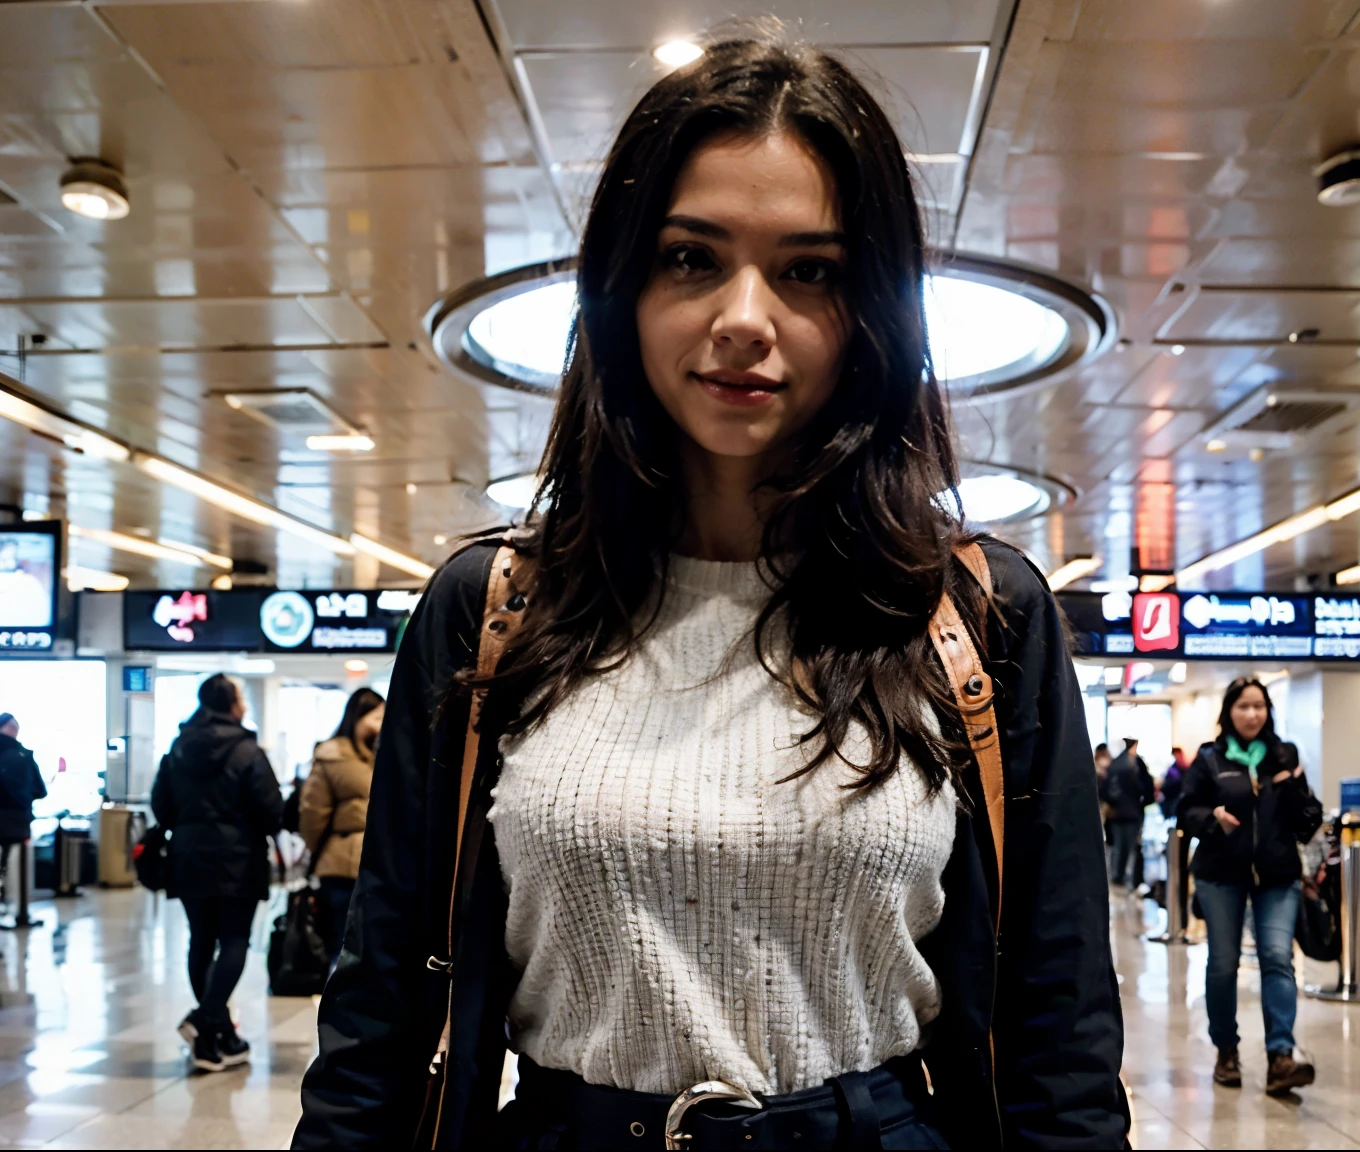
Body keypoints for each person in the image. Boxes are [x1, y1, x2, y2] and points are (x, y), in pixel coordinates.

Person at [294, 31, 1127, 1150]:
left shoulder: (982, 619)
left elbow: (1058, 1036)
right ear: (621, 288)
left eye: (809, 271)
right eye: (693, 258)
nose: (746, 316)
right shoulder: (491, 611)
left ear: (871, 310)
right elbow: (380, 1020)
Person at [1178, 676, 1321, 1095]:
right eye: (1244, 706)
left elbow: (1306, 818)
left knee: (1277, 957)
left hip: (1277, 874)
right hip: (1220, 873)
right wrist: (1212, 821)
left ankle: (1281, 1056)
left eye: (1259, 706)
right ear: (1229, 712)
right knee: (1223, 963)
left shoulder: (1284, 754)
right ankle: (1226, 1050)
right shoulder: (1209, 758)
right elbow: (1185, 810)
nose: (1252, 714)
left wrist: (1292, 785)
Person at [150, 674, 282, 1073]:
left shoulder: (178, 747)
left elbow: (162, 805)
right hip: (238, 855)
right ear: (233, 703)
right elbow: (270, 809)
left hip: (188, 853)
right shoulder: (247, 750)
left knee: (201, 940)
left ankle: (214, 1036)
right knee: (235, 939)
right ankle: (205, 1021)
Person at [299, 688, 384, 965]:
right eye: (376, 718)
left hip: (381, 864)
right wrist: (315, 850)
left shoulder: (387, 754)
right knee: (342, 940)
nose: (381, 725)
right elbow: (313, 812)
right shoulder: (331, 755)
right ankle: (338, 1002)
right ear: (357, 718)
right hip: (340, 864)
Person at [0, 713, 47, 891]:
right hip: (18, 822)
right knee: (10, 864)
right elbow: (40, 790)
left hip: (13, 821)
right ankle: (11, 901)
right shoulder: (24, 756)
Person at [1105, 738, 1153, 886]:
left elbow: (1106, 789)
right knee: (1132, 848)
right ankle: (1132, 879)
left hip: (1117, 813)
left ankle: (1117, 877)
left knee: (1119, 847)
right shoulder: (1135, 764)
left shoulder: (1115, 764)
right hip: (1132, 813)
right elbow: (1146, 788)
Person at [1160, 746, 1188, 819]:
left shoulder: (1186, 768)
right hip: (1175, 805)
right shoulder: (1172, 771)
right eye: (1177, 755)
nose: (1179, 757)